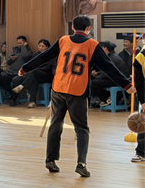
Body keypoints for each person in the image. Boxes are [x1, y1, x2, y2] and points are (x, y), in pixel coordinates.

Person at [20, 15, 135, 177]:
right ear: (88, 29)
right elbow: (108, 67)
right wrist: (126, 85)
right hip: (78, 90)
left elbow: (43, 57)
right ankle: (81, 164)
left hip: (59, 88)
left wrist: (25, 68)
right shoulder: (92, 44)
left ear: (73, 27)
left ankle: (50, 160)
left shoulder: (63, 40)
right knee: (81, 128)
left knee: (55, 124)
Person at [12, 39, 56, 108]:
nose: (41, 48)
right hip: (36, 74)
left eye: (43, 46)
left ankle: (22, 85)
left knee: (33, 72)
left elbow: (49, 67)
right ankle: (32, 102)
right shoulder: (36, 55)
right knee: (32, 78)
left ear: (47, 47)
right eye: (39, 46)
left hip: (47, 75)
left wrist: (36, 69)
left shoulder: (51, 56)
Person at [0, 36, 33, 105]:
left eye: (21, 43)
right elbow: (8, 63)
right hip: (11, 71)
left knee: (16, 80)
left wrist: (24, 47)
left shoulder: (28, 51)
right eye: (18, 43)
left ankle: (13, 99)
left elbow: (25, 56)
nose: (19, 45)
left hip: (21, 73)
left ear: (25, 43)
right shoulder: (15, 50)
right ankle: (11, 92)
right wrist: (11, 59)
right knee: (1, 77)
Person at [132, 47, 145, 163]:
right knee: (143, 124)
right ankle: (141, 152)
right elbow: (139, 82)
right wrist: (143, 101)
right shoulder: (140, 58)